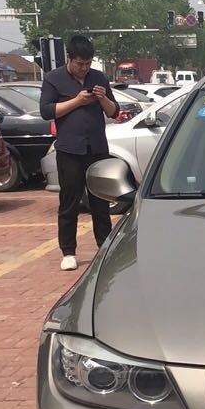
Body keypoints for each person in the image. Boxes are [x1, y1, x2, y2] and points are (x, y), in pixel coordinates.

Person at [40, 34, 119, 270]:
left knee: (100, 202)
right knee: (69, 201)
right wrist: (77, 101)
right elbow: (46, 111)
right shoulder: (53, 79)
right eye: (79, 64)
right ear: (69, 58)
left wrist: (102, 98)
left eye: (88, 63)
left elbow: (114, 112)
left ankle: (104, 247)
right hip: (70, 150)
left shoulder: (98, 77)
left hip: (97, 148)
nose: (84, 68)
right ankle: (68, 251)